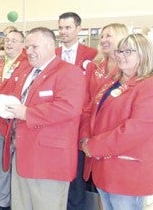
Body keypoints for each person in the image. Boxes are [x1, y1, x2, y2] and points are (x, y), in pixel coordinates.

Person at [4, 27, 86, 210]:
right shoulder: (27, 72)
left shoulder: (69, 72)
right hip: (22, 157)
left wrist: (27, 113)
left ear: (51, 45)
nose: (29, 52)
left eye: (34, 46)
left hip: (49, 162)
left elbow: (69, 107)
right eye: (27, 47)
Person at [80, 34, 153, 210]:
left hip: (127, 172)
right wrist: (84, 138)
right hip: (103, 169)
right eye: (120, 51)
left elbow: (135, 131)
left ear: (143, 54)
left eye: (128, 51)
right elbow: (89, 111)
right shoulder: (112, 81)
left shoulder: (148, 86)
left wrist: (93, 146)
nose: (121, 55)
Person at [0, 30, 29, 210]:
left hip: (16, 124)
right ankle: (2, 201)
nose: (9, 43)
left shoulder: (28, 66)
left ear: (23, 44)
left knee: (17, 167)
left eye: (14, 41)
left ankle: (17, 203)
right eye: (7, 40)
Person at [56, 12, 97, 210]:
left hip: (80, 123)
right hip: (55, 124)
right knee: (57, 173)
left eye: (67, 27)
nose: (63, 32)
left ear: (78, 29)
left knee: (77, 175)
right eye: (60, 28)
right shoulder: (52, 54)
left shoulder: (92, 55)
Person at [84, 23, 128, 104]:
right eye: (101, 37)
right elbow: (85, 95)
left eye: (108, 36)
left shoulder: (128, 68)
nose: (103, 40)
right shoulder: (93, 66)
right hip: (92, 114)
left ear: (120, 38)